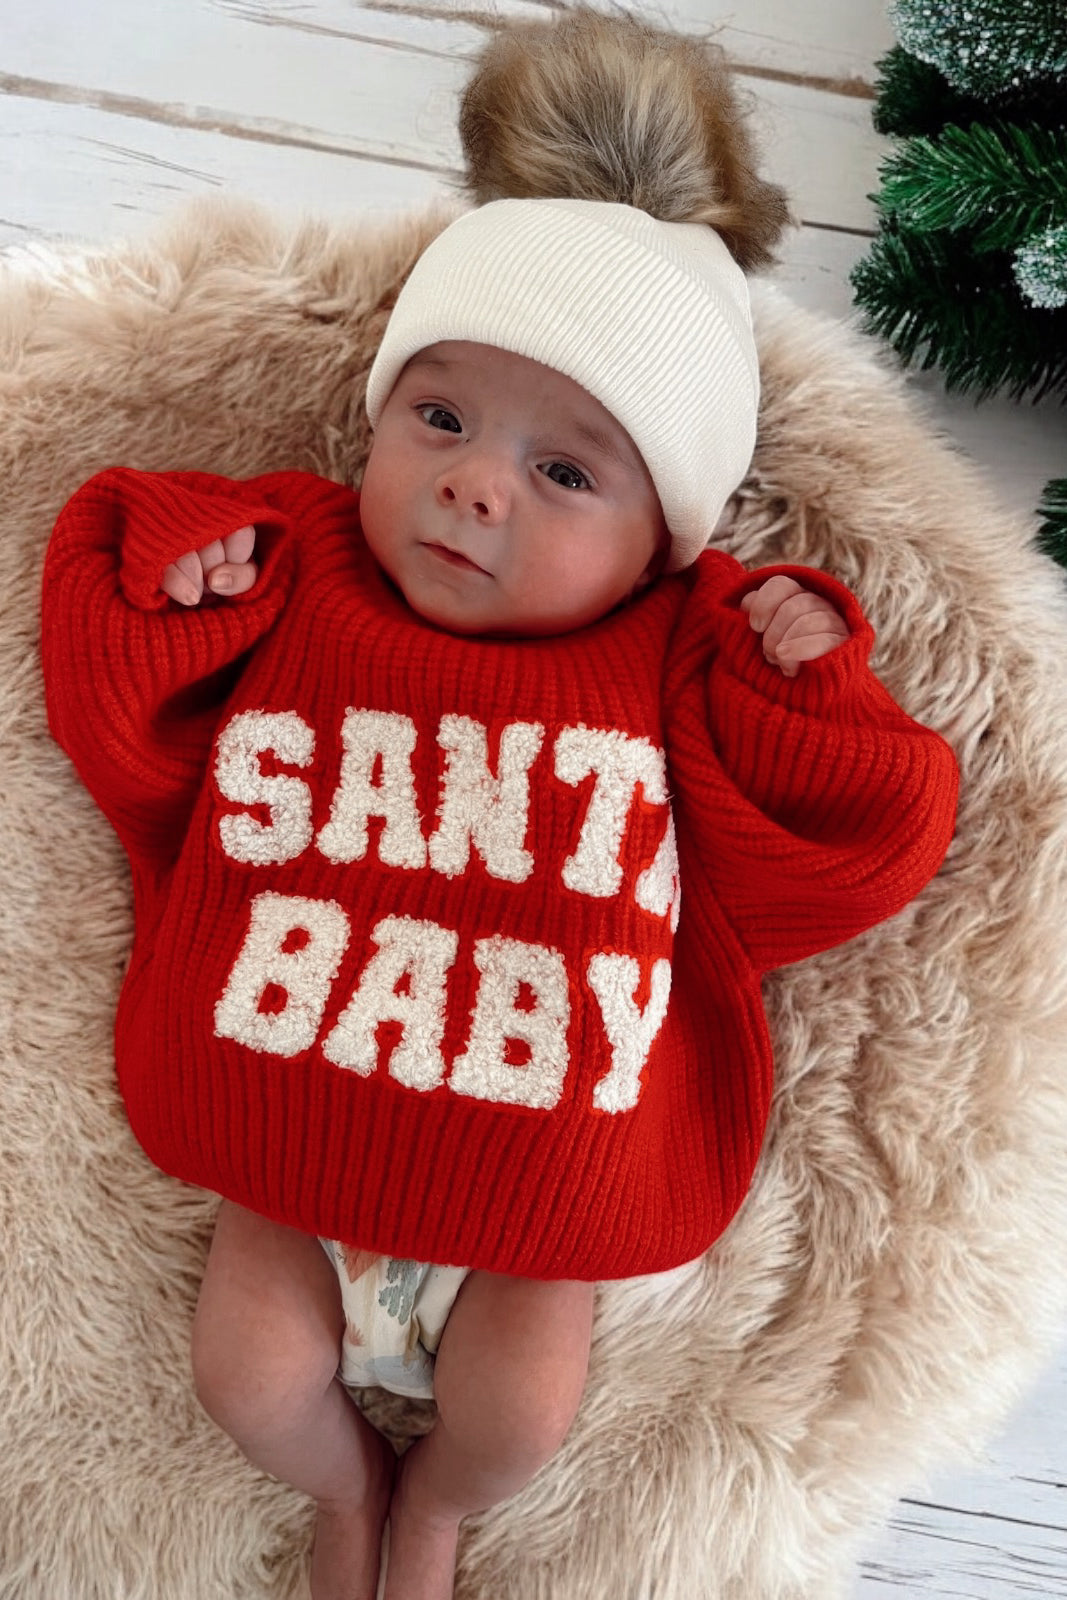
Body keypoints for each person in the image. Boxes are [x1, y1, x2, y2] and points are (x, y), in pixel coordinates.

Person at [39, 11, 959, 1600]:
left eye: (567, 472)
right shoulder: (305, 559)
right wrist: (175, 574)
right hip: (292, 1144)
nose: (475, 484)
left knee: (519, 1421)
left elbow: (852, 846)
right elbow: (126, 706)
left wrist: (810, 692)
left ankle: (442, 1513)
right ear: (380, 416)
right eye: (444, 417)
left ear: (668, 536)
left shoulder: (681, 650)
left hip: (535, 1200)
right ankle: (343, 1499)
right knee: (248, 1380)